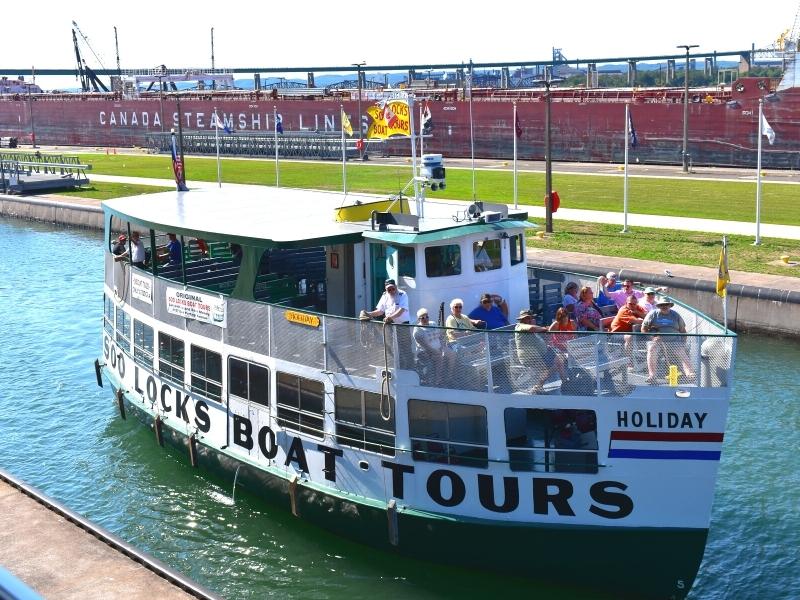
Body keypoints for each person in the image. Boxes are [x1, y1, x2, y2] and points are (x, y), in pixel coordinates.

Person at [641, 298, 695, 384]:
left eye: (666, 304)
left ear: (670, 305)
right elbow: (643, 329)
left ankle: (690, 374)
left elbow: (683, 331)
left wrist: (683, 344)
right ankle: (652, 376)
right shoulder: (652, 314)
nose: (664, 306)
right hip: (656, 341)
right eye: (662, 305)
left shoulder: (676, 315)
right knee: (652, 349)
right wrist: (652, 338)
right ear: (659, 306)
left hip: (674, 341)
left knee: (681, 352)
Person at [515, 309, 565, 393]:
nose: (531, 319)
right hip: (531, 357)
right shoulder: (520, 326)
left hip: (541, 353)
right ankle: (537, 386)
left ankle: (565, 382)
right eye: (528, 318)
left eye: (531, 317)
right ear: (522, 319)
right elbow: (531, 328)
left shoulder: (531, 327)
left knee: (559, 360)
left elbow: (537, 339)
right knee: (552, 367)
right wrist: (545, 329)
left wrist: (546, 345)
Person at [413, 308, 455, 384]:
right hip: (425, 352)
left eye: (427, 317)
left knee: (451, 353)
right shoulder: (417, 330)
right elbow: (425, 346)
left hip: (439, 348)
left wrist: (443, 347)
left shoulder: (433, 324)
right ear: (419, 319)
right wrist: (437, 352)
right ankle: (438, 380)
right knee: (439, 357)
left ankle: (449, 376)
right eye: (423, 318)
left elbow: (440, 337)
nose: (425, 319)